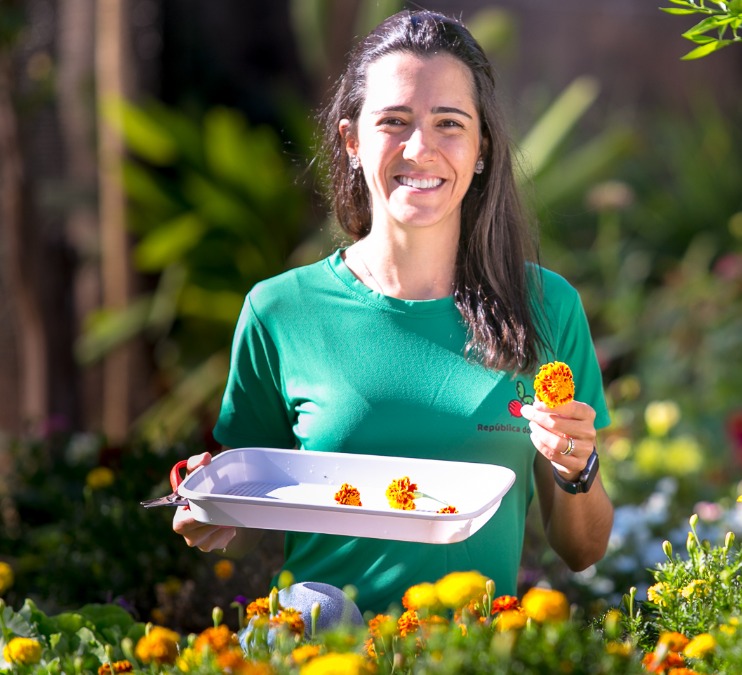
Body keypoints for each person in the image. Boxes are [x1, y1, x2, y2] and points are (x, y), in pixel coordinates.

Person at [172, 9, 613, 614]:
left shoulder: (545, 307)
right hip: (322, 651)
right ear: (353, 142)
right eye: (394, 121)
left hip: (471, 655)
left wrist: (577, 467)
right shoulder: (279, 310)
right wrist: (211, 505)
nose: (420, 148)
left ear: (482, 147)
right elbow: (249, 519)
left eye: (449, 123)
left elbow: (582, 549)